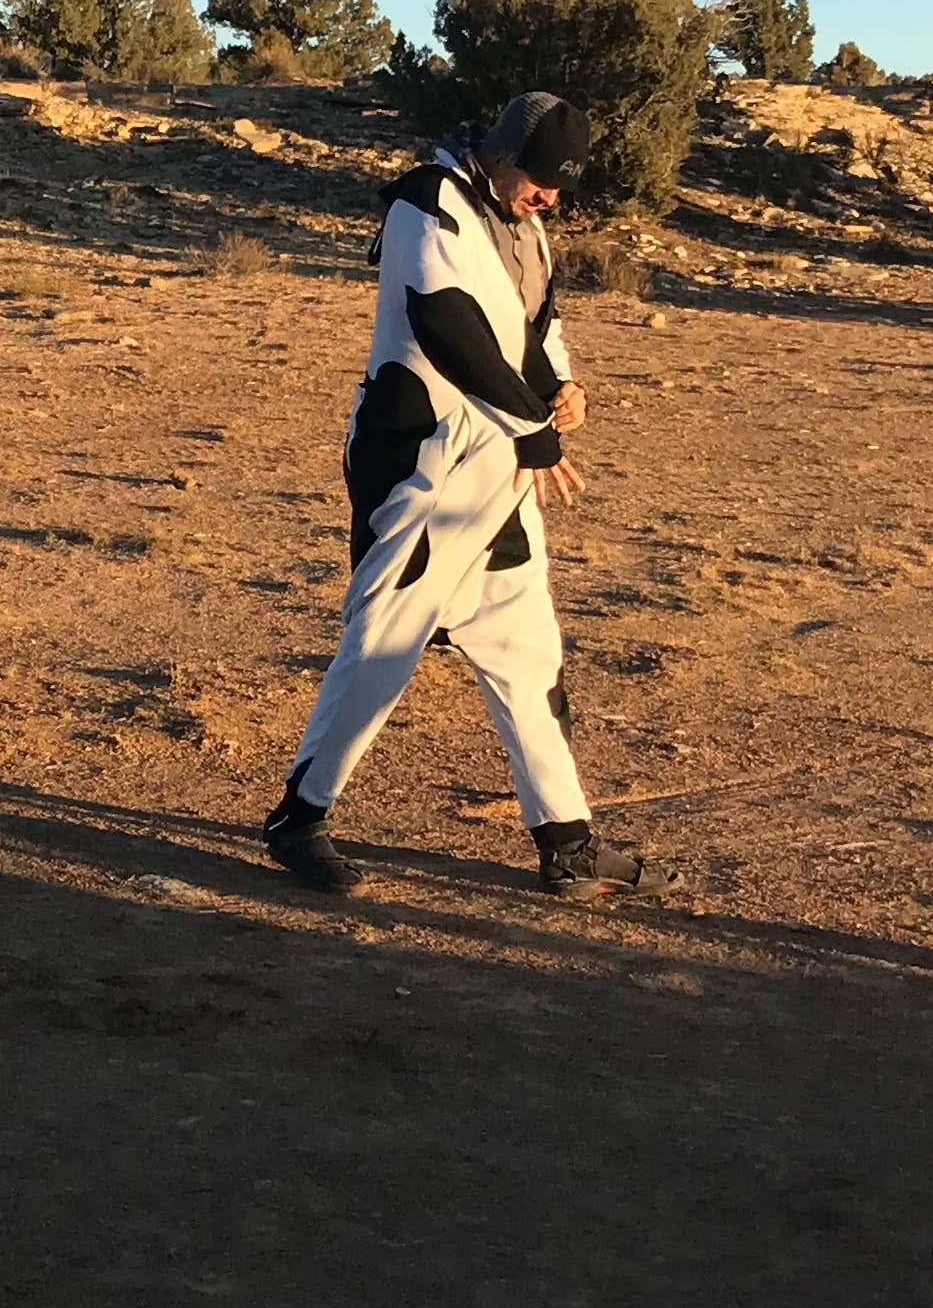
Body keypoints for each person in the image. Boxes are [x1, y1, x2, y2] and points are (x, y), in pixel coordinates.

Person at [256, 90, 666, 899]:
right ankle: (297, 821)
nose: (550, 198)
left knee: (526, 646)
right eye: (541, 179)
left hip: (499, 474)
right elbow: (444, 322)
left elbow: (532, 330)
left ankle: (567, 840)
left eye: (562, 187)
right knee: (382, 646)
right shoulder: (426, 201)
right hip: (420, 465)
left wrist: (563, 391)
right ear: (503, 154)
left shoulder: (525, 225)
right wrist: (531, 426)